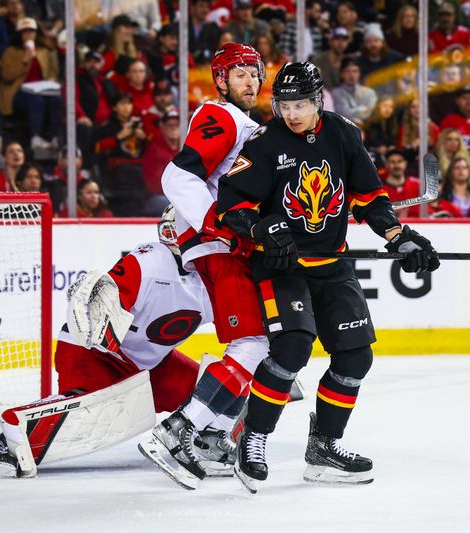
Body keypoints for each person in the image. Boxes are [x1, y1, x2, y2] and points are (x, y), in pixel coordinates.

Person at [215, 61, 439, 491]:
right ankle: (253, 438)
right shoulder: (265, 142)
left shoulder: (343, 134)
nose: (292, 113)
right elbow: (232, 204)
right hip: (282, 266)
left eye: (300, 104)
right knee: (293, 348)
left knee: (356, 356)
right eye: (284, 105)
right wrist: (260, 228)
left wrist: (398, 235)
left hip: (332, 264)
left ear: (318, 101)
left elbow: (369, 196)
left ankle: (323, 447)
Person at [0, 207, 213, 478]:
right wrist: (98, 299)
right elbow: (113, 294)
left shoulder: (217, 279)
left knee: (216, 392)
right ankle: (2, 445)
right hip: (94, 353)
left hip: (153, 364)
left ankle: (204, 444)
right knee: (82, 418)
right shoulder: (151, 261)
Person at [140, 44, 271, 487]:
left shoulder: (252, 126)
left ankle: (213, 436)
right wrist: (218, 224)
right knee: (251, 343)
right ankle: (179, 431)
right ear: (220, 81)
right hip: (217, 246)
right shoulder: (223, 116)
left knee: (260, 344)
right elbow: (178, 176)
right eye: (239, 75)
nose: (250, 81)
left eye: (254, 73)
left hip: (229, 247)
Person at [0, 17, 61, 152]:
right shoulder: (11, 52)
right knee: (35, 99)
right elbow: (7, 75)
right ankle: (36, 138)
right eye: (24, 32)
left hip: (42, 90)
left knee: (56, 99)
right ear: (19, 34)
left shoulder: (44, 52)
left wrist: (50, 81)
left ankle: (55, 137)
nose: (28, 35)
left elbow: (52, 73)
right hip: (18, 93)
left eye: (31, 32)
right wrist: (24, 60)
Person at [331, 58, 377, 123]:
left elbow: (369, 114)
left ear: (359, 73)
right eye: (347, 71)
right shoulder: (336, 92)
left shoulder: (370, 92)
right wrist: (362, 109)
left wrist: (351, 111)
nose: (351, 75)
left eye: (355, 71)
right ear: (341, 74)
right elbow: (344, 113)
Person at [381, 148, 420, 217]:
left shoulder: (417, 185)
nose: (397, 166)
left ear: (405, 163)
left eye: (400, 161)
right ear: (387, 164)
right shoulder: (380, 190)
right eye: (392, 162)